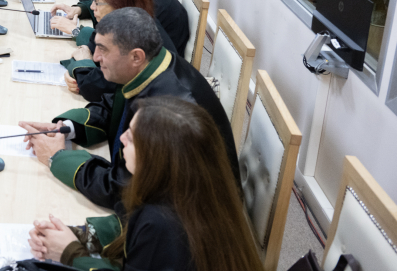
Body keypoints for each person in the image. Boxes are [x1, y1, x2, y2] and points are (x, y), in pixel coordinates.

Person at [19, 7, 238, 210]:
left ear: (136, 56)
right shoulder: (152, 66)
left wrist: (57, 157)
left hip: (188, 221)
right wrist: (65, 128)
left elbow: (124, 188)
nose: (95, 57)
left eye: (102, 50)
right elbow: (113, 109)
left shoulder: (168, 112)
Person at [27, 97, 262, 271]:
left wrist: (70, 253)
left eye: (131, 137)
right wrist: (83, 235)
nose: (121, 138)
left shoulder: (160, 223)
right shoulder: (194, 187)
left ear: (156, 156)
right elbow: (130, 224)